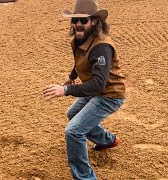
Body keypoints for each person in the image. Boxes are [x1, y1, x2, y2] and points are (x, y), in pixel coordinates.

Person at [43, 0, 126, 179]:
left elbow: (98, 84)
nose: (78, 24)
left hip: (110, 95)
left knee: (73, 131)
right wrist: (71, 78)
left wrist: (65, 91)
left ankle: (85, 177)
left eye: (83, 20)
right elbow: (79, 62)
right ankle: (108, 140)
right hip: (95, 91)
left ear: (94, 21)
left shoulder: (102, 47)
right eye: (75, 20)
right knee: (73, 114)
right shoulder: (79, 40)